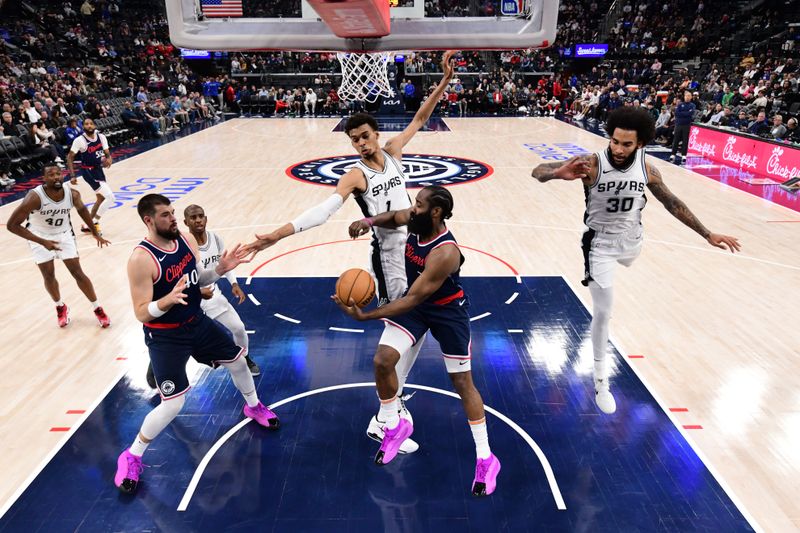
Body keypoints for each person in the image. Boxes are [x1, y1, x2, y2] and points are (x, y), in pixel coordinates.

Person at [239, 50, 458, 454]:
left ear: (376, 135)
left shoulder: (393, 152)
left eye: (364, 136)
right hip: (389, 257)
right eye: (353, 139)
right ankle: (385, 419)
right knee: (405, 329)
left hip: (412, 247)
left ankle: (391, 408)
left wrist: (443, 81)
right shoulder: (355, 175)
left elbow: (421, 118)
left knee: (415, 330)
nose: (359, 143)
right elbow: (324, 211)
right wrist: (273, 236)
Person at [531, 107, 741, 414]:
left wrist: (707, 234)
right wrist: (555, 174)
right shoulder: (591, 163)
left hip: (633, 239)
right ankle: (601, 380)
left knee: (629, 262)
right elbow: (537, 170)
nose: (617, 148)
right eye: (614, 141)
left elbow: (672, 202)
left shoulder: (648, 169)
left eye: (626, 144)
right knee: (604, 311)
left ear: (640, 143)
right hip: (599, 243)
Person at [335, 186, 501, 496]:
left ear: (435, 212)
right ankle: (393, 424)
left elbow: (412, 298)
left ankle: (486, 458)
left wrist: (366, 316)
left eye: (419, 204)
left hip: (446, 313)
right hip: (418, 308)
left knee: (462, 382)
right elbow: (393, 216)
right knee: (382, 360)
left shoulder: (446, 252)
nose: (413, 208)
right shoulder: (416, 220)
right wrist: (367, 222)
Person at [115, 194, 279, 495]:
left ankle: (253, 407)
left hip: (196, 322)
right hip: (165, 336)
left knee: (238, 361)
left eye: (173, 213)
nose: (173, 219)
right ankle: (132, 455)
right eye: (166, 215)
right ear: (148, 220)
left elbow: (198, 277)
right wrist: (164, 301)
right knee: (173, 405)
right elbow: (141, 311)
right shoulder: (141, 259)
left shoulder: (186, 241)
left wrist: (220, 269)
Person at [144, 204, 260, 387]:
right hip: (188, 305)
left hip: (213, 299)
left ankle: (245, 359)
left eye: (200, 216)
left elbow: (225, 264)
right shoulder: (182, 246)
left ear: (206, 218)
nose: (198, 220)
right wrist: (197, 292)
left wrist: (235, 284)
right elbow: (175, 283)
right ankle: (157, 364)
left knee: (238, 328)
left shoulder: (215, 239)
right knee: (182, 348)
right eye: (193, 217)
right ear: (186, 222)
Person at [6, 164, 111, 327]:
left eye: (58, 173)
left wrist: (95, 232)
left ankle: (97, 308)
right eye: (51, 175)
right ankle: (60, 306)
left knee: (78, 272)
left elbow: (82, 210)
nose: (56, 177)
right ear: (44, 178)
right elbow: (12, 225)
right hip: (38, 236)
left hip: (64, 235)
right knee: (48, 275)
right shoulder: (34, 197)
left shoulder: (72, 193)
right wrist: (42, 242)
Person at [66, 118, 114, 235]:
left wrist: (108, 159)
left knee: (100, 199)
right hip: (88, 172)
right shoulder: (79, 140)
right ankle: (94, 223)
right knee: (110, 197)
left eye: (91, 123)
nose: (89, 125)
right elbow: (69, 158)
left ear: (95, 125)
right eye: (86, 124)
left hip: (98, 170)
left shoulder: (101, 137)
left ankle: (87, 225)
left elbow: (107, 154)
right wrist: (72, 175)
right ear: (83, 127)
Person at [670, 90, 696, 165]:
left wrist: (683, 113)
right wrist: (686, 113)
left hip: (687, 125)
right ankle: (673, 154)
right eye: (686, 96)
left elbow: (691, 113)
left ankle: (684, 155)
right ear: (684, 97)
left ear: (691, 97)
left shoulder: (692, 105)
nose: (687, 97)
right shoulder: (680, 104)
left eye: (689, 96)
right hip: (678, 124)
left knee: (685, 140)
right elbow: (677, 113)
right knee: (676, 139)